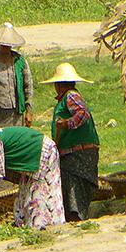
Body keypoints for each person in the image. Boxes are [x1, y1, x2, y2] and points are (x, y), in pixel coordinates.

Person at [41, 63, 99, 222]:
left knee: (72, 181)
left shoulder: (71, 96)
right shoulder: (63, 100)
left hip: (79, 151)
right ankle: (76, 215)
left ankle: (76, 215)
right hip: (70, 151)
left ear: (58, 85)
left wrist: (66, 124)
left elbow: (82, 114)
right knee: (71, 182)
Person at [0, 23, 35, 128]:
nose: (5, 47)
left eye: (8, 44)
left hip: (16, 113)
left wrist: (29, 111)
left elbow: (28, 86)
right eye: (2, 43)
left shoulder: (20, 62)